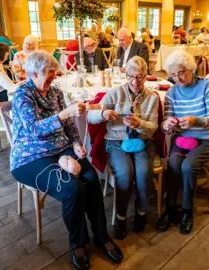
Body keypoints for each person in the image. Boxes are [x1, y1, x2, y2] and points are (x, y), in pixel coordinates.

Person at [10, 51, 123, 269]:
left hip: (61, 149)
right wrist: (63, 115)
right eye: (49, 72)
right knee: (72, 189)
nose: (54, 75)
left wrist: (75, 145)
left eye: (54, 71)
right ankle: (78, 243)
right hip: (30, 157)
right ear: (33, 73)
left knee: (91, 178)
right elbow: (34, 130)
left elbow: (70, 126)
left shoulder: (56, 93)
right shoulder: (23, 94)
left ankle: (101, 236)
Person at [87, 56, 158, 240]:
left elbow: (153, 128)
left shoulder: (152, 97)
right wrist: (103, 113)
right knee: (125, 173)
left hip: (141, 141)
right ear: (125, 75)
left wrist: (139, 123)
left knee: (143, 173)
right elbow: (91, 118)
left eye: (140, 77)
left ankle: (141, 212)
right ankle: (120, 217)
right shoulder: (115, 93)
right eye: (131, 76)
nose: (135, 82)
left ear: (146, 76)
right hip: (116, 140)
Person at [156, 49, 209, 235]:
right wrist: (166, 124)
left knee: (188, 166)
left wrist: (195, 120)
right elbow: (165, 124)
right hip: (184, 138)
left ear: (191, 68)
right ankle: (170, 209)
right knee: (174, 163)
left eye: (182, 72)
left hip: (207, 137)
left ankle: (187, 211)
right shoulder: (171, 93)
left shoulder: (207, 87)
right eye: (173, 75)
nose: (178, 78)